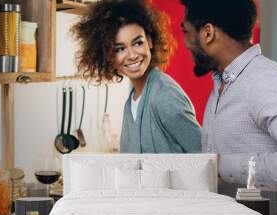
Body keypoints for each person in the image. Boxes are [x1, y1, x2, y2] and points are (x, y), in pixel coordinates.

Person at [180, 0, 277, 215]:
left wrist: (224, 165)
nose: (185, 43)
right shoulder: (222, 83)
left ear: (207, 33)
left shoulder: (266, 81)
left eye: (186, 32)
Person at [71, 0, 201, 153]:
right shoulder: (131, 102)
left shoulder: (164, 95)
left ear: (150, 41)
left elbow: (206, 156)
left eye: (138, 43)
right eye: (119, 49)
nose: (132, 55)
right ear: (108, 55)